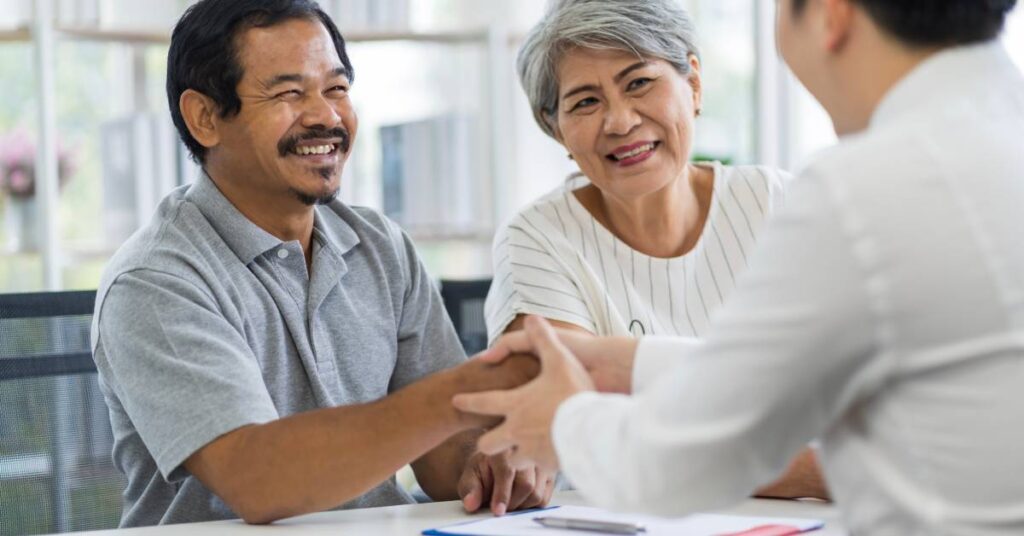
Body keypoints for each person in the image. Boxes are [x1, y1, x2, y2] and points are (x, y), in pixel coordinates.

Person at [454, 0, 1024, 534]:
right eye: (585, 100)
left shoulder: (858, 190)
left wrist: (562, 421)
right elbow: (785, 375)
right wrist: (630, 362)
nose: (621, 121)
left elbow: (691, 463)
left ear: (831, 14)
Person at [90, 0, 552, 527]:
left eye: (336, 89)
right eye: (289, 93)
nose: (327, 117)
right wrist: (463, 393)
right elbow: (257, 480)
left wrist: (489, 463)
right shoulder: (156, 280)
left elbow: (445, 458)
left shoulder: (380, 246)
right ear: (205, 117)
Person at [485, 0, 825, 499]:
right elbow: (573, 426)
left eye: (639, 82)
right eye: (585, 102)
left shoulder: (779, 202)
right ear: (555, 128)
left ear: (693, 84)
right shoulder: (537, 238)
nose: (620, 122)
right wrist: (821, 469)